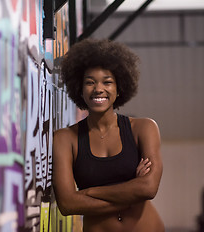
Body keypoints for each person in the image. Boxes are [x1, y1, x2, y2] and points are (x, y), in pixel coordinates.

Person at [52, 38, 164, 232]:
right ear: (79, 89)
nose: (98, 89)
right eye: (90, 82)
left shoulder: (144, 128)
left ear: (119, 88)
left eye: (107, 82)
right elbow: (67, 204)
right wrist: (130, 193)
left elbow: (148, 188)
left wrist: (90, 192)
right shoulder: (65, 138)